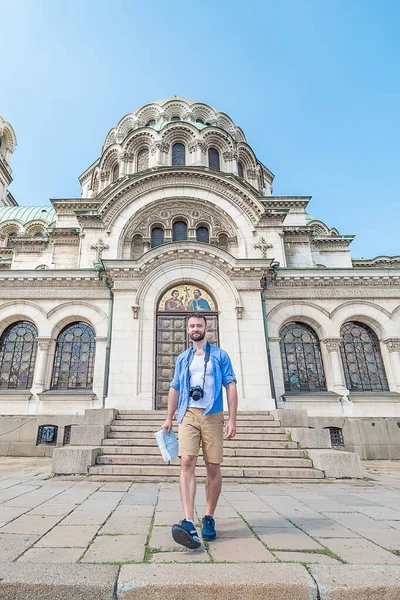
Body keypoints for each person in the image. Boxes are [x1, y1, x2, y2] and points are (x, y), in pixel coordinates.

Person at [161, 313, 238, 549]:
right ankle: (188, 521)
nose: (196, 329)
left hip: (212, 415)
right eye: (192, 326)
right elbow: (174, 388)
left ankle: (208, 517)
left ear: (207, 328)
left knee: (213, 465)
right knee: (187, 462)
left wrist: (232, 419)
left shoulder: (220, 355)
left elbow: (231, 385)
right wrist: (168, 418)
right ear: (187, 330)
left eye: (199, 325)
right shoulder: (183, 358)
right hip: (188, 414)